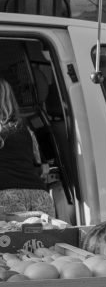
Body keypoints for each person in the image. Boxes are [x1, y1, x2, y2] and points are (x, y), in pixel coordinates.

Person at [0, 78, 54, 216]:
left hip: (7, 198)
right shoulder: (26, 130)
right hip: (39, 196)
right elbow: (38, 164)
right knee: (46, 238)